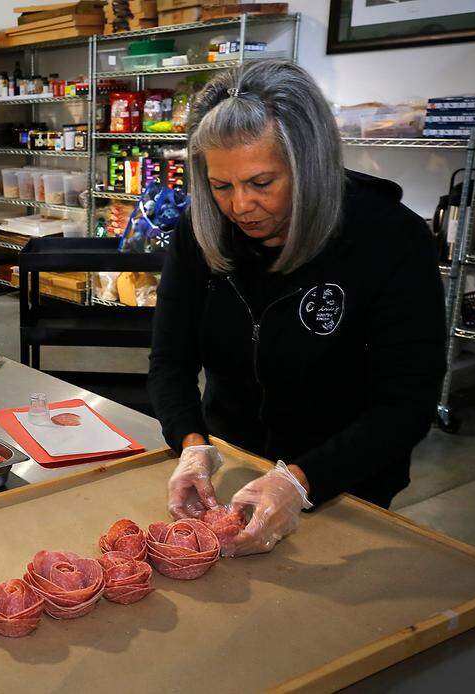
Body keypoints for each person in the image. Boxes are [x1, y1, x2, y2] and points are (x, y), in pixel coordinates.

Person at [147, 61, 445, 558]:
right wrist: (193, 443)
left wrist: (304, 480)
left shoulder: (390, 239)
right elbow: (170, 362)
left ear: (309, 165)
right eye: (222, 186)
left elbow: (407, 404)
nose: (241, 206)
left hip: (348, 481)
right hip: (236, 465)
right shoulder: (200, 232)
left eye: (262, 183)